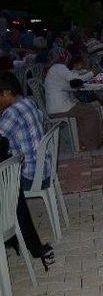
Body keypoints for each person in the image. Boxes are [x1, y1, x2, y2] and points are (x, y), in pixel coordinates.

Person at [0, 108, 54, 271]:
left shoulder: (11, 114)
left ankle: (16, 240)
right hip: (30, 173)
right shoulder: (27, 105)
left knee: (10, 186)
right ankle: (25, 242)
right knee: (12, 190)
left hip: (25, 175)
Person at [43, 56, 103, 150]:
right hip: (61, 108)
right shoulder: (59, 68)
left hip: (56, 107)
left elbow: (73, 77)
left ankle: (83, 142)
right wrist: (93, 72)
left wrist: (85, 73)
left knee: (85, 108)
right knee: (90, 112)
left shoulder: (54, 69)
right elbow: (77, 80)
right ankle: (89, 144)